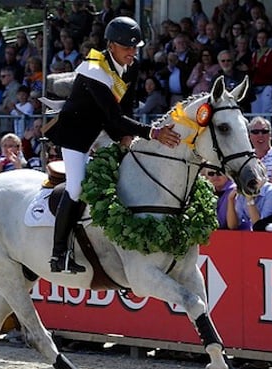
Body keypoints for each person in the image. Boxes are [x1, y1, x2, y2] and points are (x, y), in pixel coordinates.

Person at [45, 16, 180, 274]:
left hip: (104, 128)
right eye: (126, 47)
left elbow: (126, 105)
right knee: (76, 188)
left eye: (135, 47)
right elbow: (114, 116)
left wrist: (125, 137)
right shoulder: (93, 68)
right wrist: (152, 132)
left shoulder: (132, 66)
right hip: (78, 133)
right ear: (111, 45)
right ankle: (59, 253)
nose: (132, 52)